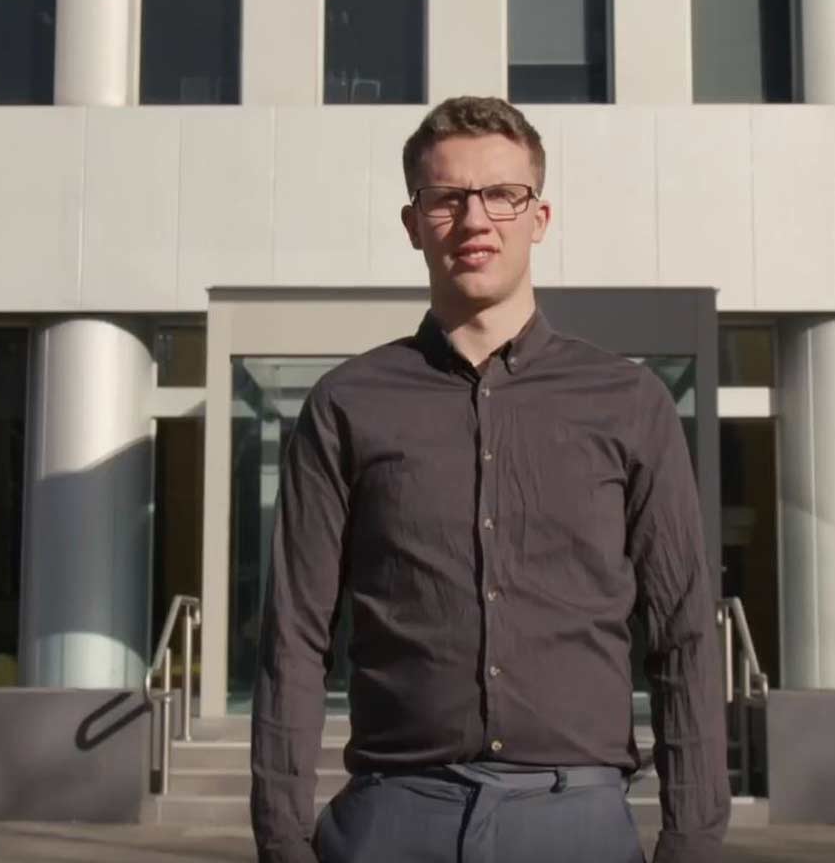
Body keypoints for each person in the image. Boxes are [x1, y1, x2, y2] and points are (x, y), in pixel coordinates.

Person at [250, 96, 729, 863]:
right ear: (414, 223)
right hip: (390, 819)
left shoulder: (630, 403)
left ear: (538, 217)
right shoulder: (345, 405)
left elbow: (684, 635)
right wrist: (280, 838)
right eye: (448, 198)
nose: (477, 219)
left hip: (576, 822)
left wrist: (694, 840)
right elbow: (295, 637)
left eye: (504, 195)